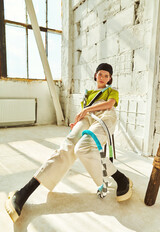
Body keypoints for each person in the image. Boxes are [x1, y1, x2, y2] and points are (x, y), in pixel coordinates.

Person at [5, 63, 133, 223]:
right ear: (95, 75)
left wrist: (86, 110)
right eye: (100, 74)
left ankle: (121, 179)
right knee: (67, 146)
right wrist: (77, 123)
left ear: (110, 79)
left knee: (84, 147)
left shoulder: (111, 91)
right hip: (87, 118)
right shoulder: (88, 94)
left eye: (107, 75)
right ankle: (24, 192)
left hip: (105, 116)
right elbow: (82, 114)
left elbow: (109, 104)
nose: (103, 77)